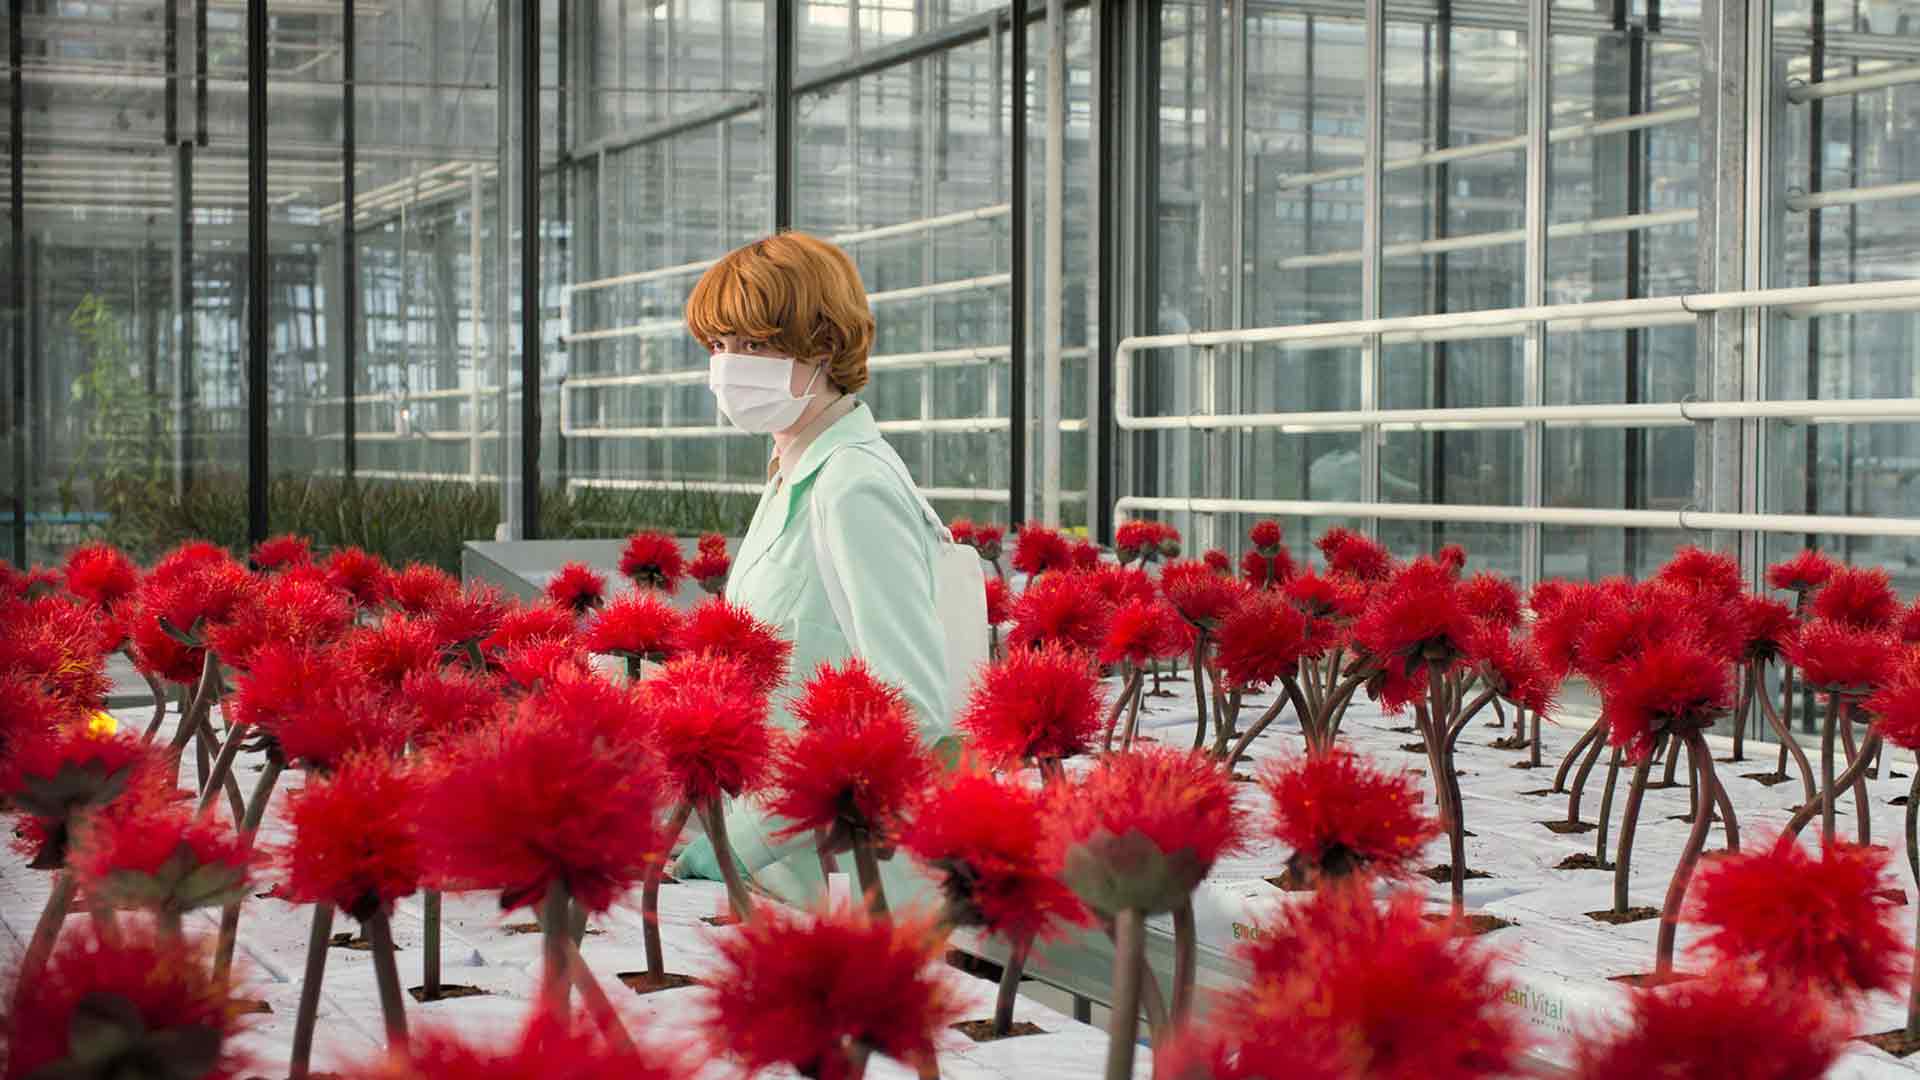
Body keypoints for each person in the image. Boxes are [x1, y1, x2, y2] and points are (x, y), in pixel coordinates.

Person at [670, 232, 953, 905]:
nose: (730, 366)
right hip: (773, 863)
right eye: (720, 346)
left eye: (756, 346)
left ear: (823, 347)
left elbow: (910, 709)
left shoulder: (853, 486)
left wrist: (734, 845)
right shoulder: (792, 475)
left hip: (836, 879)